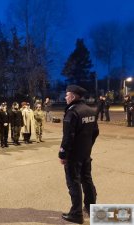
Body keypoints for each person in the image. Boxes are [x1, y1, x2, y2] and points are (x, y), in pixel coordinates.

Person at [59, 85, 99, 224]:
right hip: (86, 153)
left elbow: (68, 137)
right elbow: (95, 132)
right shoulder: (91, 110)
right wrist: (87, 147)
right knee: (86, 179)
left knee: (73, 182)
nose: (65, 97)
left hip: (74, 156)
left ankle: (76, 214)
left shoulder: (72, 112)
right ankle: (91, 209)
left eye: (67, 94)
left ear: (74, 96)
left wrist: (63, 154)